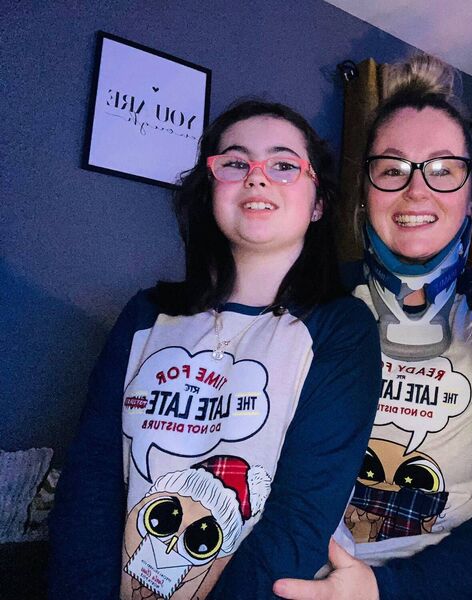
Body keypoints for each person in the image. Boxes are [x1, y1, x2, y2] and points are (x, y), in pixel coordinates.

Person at [48, 100, 382, 599]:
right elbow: (91, 480)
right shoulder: (144, 315)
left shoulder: (343, 329)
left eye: (283, 164)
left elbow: (301, 516)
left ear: (318, 204)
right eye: (235, 162)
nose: (257, 177)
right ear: (210, 192)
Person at [272, 56, 472, 600]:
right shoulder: (306, 304)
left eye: (442, 169)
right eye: (393, 169)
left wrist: (386, 589)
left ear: (470, 191)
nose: (417, 190)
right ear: (364, 188)